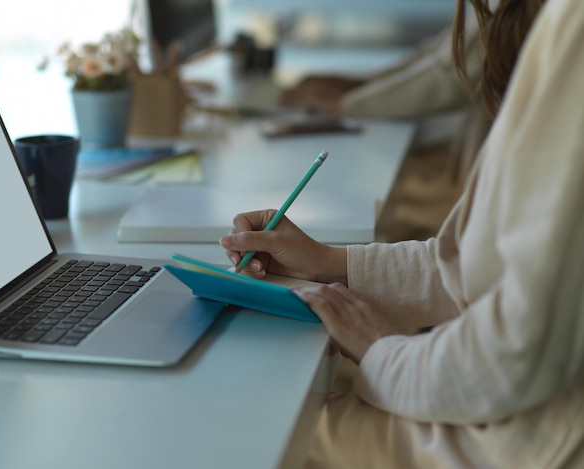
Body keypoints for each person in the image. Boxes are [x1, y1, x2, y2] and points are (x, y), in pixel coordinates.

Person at [219, 0, 584, 466]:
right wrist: (334, 264)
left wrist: (382, 352)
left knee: (249, 413)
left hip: (535, 440)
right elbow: (494, 264)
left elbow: (518, 353)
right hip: (527, 404)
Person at [278, 6, 496, 242]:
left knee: (367, 211)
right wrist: (361, 85)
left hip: (473, 179)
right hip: (467, 160)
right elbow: (441, 55)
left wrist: (350, 103)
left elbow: (450, 76)